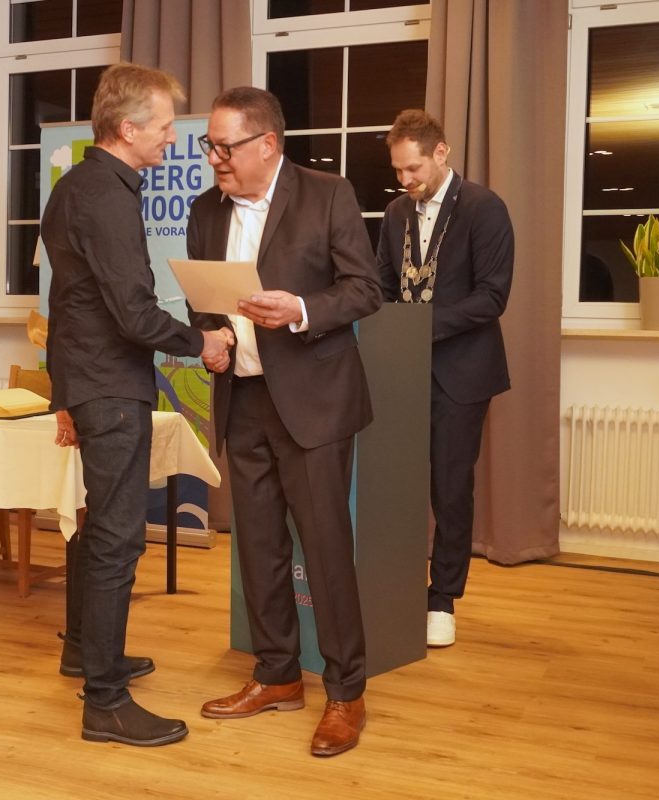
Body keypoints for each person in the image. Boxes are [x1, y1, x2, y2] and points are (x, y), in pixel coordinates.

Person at [186, 86, 383, 757]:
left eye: (225, 146)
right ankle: (276, 675)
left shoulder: (327, 195)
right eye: (210, 146)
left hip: (314, 403)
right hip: (241, 399)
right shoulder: (204, 211)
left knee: (324, 550)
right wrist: (212, 337)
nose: (215, 158)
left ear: (267, 144)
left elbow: (365, 289)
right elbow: (203, 302)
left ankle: (347, 693)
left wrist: (300, 309)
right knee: (259, 547)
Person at [42, 62, 234, 748]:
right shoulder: (108, 197)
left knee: (100, 531)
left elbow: (66, 305)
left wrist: (65, 395)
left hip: (89, 381)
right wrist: (202, 342)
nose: (172, 139)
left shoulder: (75, 186)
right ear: (128, 129)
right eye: (164, 127)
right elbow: (132, 313)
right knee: (118, 539)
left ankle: (85, 653)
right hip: (112, 387)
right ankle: (105, 702)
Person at [373, 110, 514, 647]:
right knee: (398, 486)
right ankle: (397, 586)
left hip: (462, 374)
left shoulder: (484, 207)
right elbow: (383, 286)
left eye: (413, 168)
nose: (405, 180)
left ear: (441, 153)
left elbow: (492, 297)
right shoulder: (395, 213)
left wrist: (418, 327)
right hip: (403, 370)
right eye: (398, 170)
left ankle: (443, 599)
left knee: (450, 489)